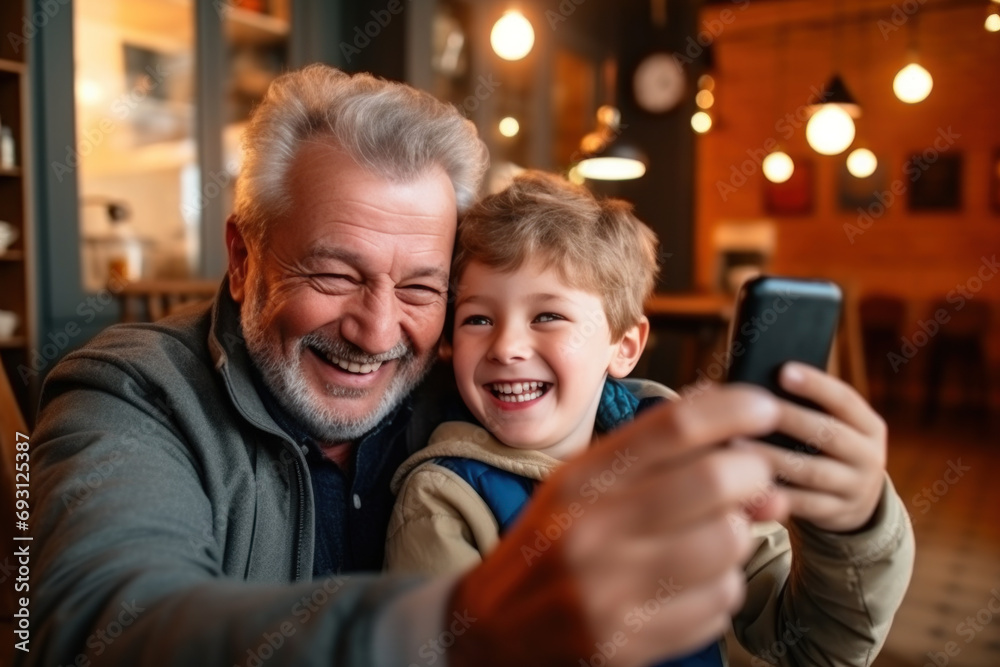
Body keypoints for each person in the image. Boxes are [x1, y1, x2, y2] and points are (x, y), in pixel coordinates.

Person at [23, 64, 913, 667]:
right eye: (334, 274)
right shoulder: (129, 392)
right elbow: (99, 628)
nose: (377, 331)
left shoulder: (497, 393)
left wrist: (855, 514)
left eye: (421, 287)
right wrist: (459, 632)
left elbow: (809, 641)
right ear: (245, 256)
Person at [385, 171, 914, 666]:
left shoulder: (686, 460)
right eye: (478, 318)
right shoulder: (444, 498)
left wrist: (856, 529)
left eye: (548, 315)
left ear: (625, 346)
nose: (506, 346)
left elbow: (814, 647)